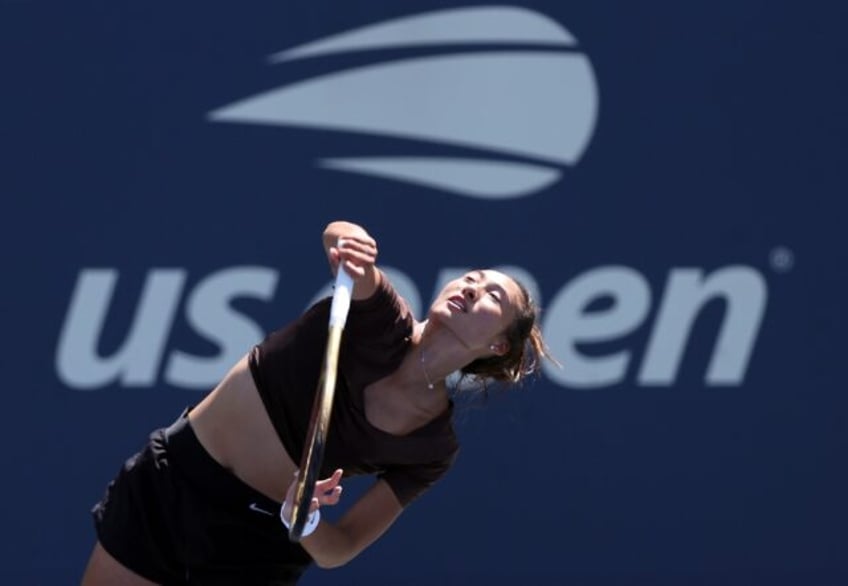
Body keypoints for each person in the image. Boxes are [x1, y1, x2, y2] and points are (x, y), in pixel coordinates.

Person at [81, 220, 554, 585]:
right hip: (173, 481)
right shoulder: (381, 314)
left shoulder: (432, 446)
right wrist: (351, 238)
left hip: (254, 545)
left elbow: (341, 545)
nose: (471, 287)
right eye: (471, 277)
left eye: (493, 294)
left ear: (498, 347)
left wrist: (305, 520)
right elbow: (343, 244)